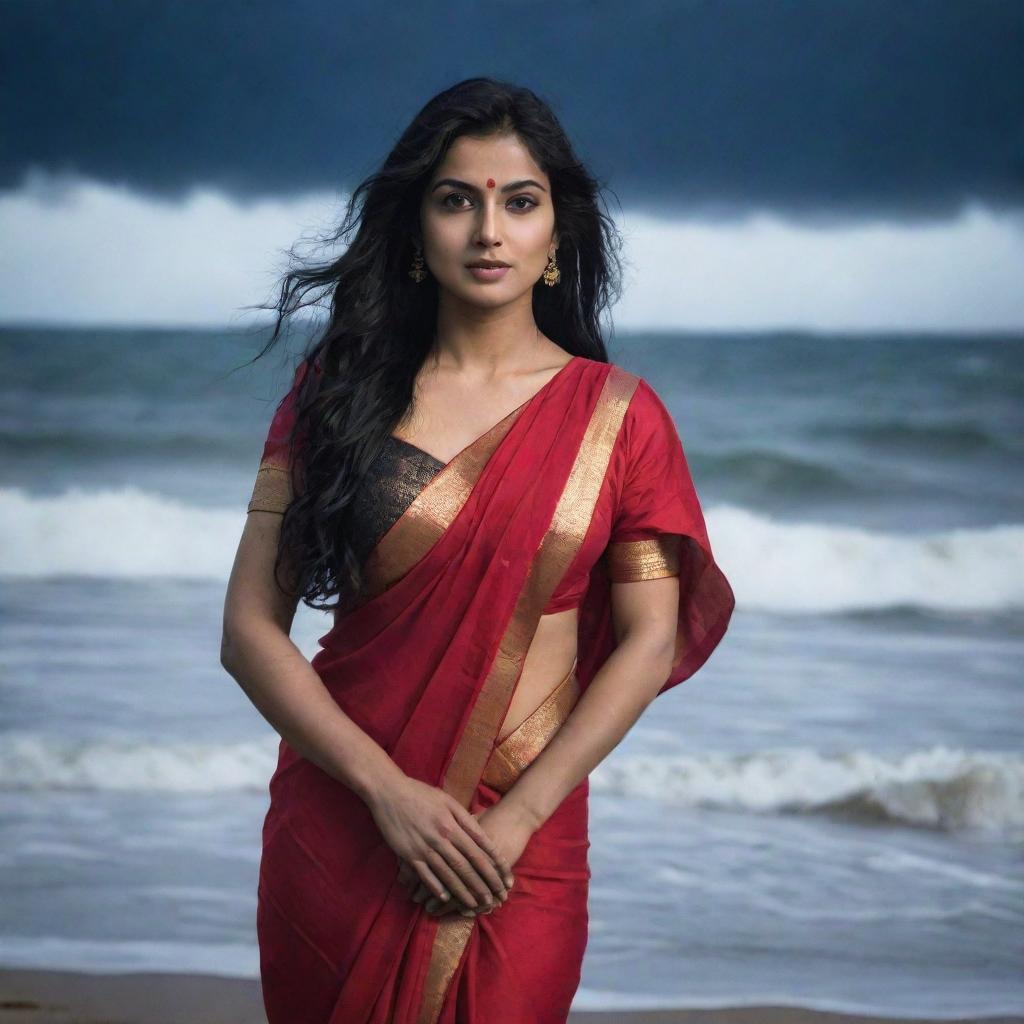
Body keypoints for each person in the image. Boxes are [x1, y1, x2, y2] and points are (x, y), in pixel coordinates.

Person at [221, 76, 735, 1024]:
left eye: (519, 202)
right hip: (343, 820)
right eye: (457, 199)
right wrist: (386, 793)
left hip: (520, 843)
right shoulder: (336, 395)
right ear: (416, 226)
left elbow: (647, 642)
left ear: (556, 234)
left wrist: (516, 821)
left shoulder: (617, 418)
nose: (487, 230)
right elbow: (250, 630)